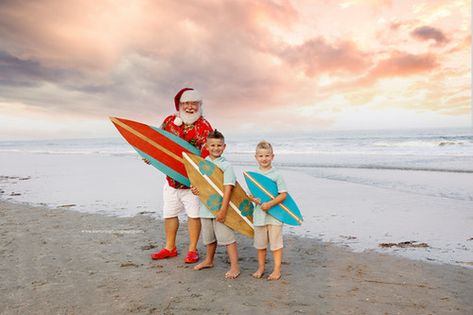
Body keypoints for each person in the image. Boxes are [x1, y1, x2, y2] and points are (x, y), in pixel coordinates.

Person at [147, 88, 213, 264]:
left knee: (194, 216)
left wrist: (202, 178)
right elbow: (157, 141)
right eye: (186, 103)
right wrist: (149, 157)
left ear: (199, 105)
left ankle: (192, 250)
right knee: (169, 214)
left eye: (194, 103)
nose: (190, 107)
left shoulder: (204, 126)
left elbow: (208, 154)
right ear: (180, 105)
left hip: (192, 183)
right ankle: (170, 248)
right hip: (171, 180)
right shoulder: (169, 121)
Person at [191, 130, 240, 279]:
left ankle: (235, 267)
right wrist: (195, 190)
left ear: (224, 147)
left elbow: (229, 188)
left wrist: (223, 210)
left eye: (219, 145)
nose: (216, 148)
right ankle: (209, 260)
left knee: (227, 238)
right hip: (206, 208)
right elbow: (201, 184)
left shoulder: (226, 166)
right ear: (206, 146)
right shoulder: (203, 164)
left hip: (221, 209)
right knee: (209, 238)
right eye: (212, 145)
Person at [248, 141, 287, 280]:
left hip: (275, 215)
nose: (264, 158)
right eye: (261, 156)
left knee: (276, 244)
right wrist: (254, 199)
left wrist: (269, 204)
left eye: (267, 155)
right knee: (260, 245)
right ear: (256, 157)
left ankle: (277, 270)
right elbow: (251, 195)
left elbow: (283, 195)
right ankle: (261, 268)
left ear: (272, 156)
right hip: (259, 216)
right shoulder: (253, 175)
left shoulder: (276, 175)